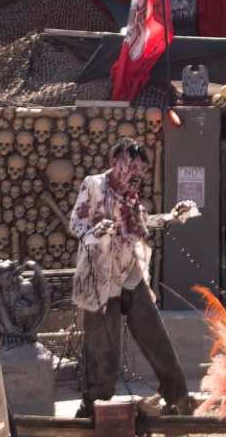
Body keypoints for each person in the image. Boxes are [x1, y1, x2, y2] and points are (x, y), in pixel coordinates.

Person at [67, 142, 197, 410]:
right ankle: (94, 408)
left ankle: (178, 398)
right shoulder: (93, 185)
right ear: (115, 161)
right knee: (103, 347)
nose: (136, 173)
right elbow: (76, 224)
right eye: (131, 165)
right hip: (99, 277)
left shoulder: (131, 196)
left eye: (141, 169)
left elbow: (140, 224)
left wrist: (172, 216)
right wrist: (96, 231)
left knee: (154, 335)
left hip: (130, 274)